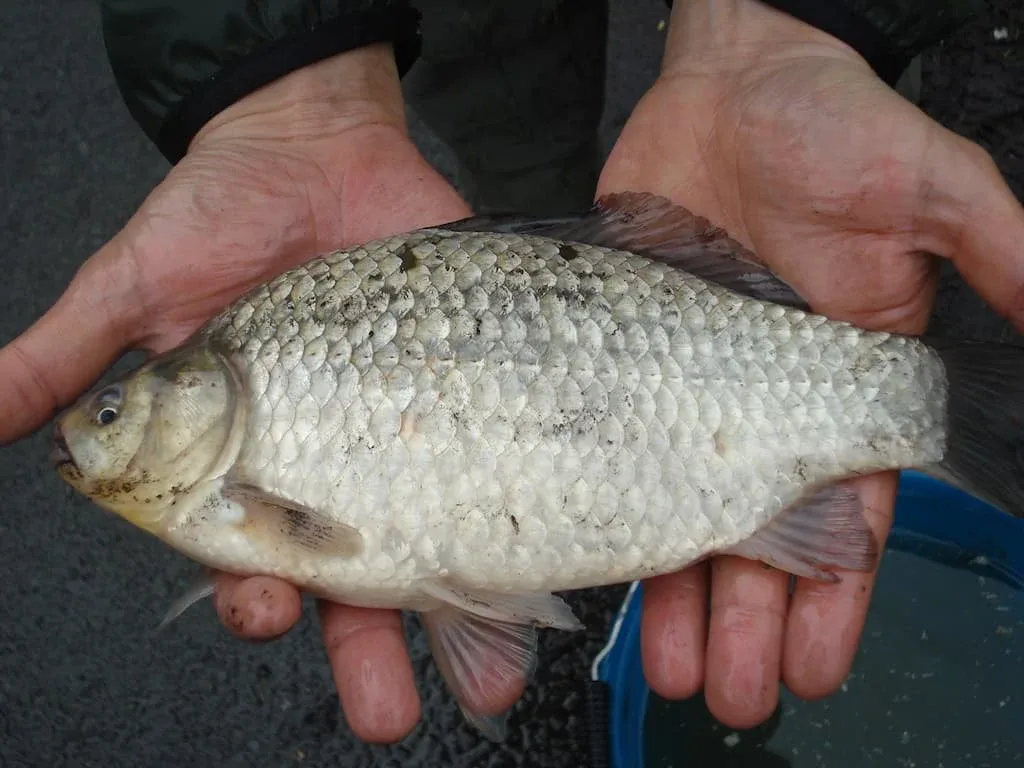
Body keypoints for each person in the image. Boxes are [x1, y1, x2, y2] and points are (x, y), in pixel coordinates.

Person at [4, 0, 1022, 746]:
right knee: (510, 118)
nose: (96, 430)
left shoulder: (246, 443)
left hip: (593, 281)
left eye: (111, 408)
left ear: (200, 389)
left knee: (522, 163)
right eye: (109, 410)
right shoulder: (247, 408)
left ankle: (942, 403)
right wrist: (287, 73)